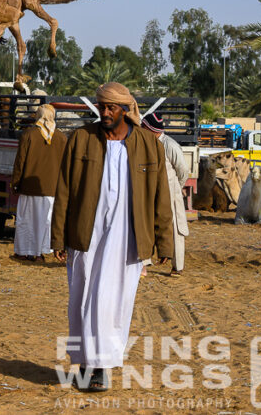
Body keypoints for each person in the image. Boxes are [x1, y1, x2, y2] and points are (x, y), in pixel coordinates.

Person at [51, 82, 174, 392]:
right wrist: (57, 238)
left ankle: (102, 366)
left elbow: (160, 197)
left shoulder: (148, 144)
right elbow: (63, 190)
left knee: (113, 301)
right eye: (101, 106)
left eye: (111, 108)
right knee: (82, 299)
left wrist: (164, 243)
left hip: (127, 238)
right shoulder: (81, 140)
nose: (104, 112)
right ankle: (84, 365)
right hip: (84, 236)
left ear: (124, 110)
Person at [11, 104, 66, 261]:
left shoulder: (28, 135)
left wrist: (15, 183)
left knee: (26, 221)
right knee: (45, 222)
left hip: (29, 188)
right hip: (52, 189)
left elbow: (20, 162)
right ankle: (39, 253)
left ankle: (24, 252)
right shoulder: (61, 138)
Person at [141, 112, 190, 277]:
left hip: (170, 193)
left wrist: (175, 188)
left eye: (143, 127)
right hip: (147, 192)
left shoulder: (170, 145)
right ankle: (143, 264)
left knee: (175, 228)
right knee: (144, 225)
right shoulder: (142, 144)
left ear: (151, 129)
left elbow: (183, 171)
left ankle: (178, 267)